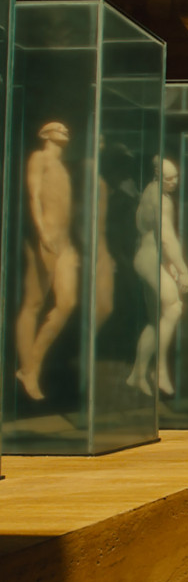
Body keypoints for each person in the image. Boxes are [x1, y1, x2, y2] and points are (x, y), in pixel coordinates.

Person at [15, 122, 80, 400]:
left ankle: (33, 364)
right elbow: (34, 195)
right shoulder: (39, 158)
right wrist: (41, 232)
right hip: (46, 237)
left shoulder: (63, 168)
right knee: (34, 302)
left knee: (67, 303)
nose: (64, 130)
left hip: (64, 243)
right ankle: (28, 369)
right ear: (44, 134)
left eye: (66, 129)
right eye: (58, 128)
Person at [127, 158, 188, 396]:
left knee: (157, 320)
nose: (174, 182)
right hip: (149, 259)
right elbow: (166, 238)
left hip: (151, 258)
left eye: (176, 177)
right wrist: (183, 270)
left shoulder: (152, 191)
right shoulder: (160, 199)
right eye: (168, 178)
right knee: (174, 308)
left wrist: (169, 263)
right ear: (157, 176)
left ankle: (137, 375)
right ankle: (160, 370)